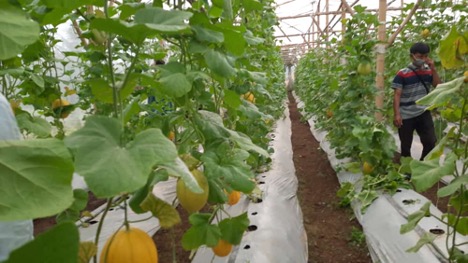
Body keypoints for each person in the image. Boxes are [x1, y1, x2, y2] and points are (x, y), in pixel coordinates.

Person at [392, 42, 441, 161]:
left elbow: (438, 85)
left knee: (430, 141)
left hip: (423, 112)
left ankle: (421, 166)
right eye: (420, 56)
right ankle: (406, 171)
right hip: (406, 115)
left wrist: (433, 69)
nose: (423, 59)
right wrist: (397, 114)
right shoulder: (402, 73)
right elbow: (397, 94)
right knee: (405, 146)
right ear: (412, 56)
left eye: (425, 56)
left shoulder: (429, 72)